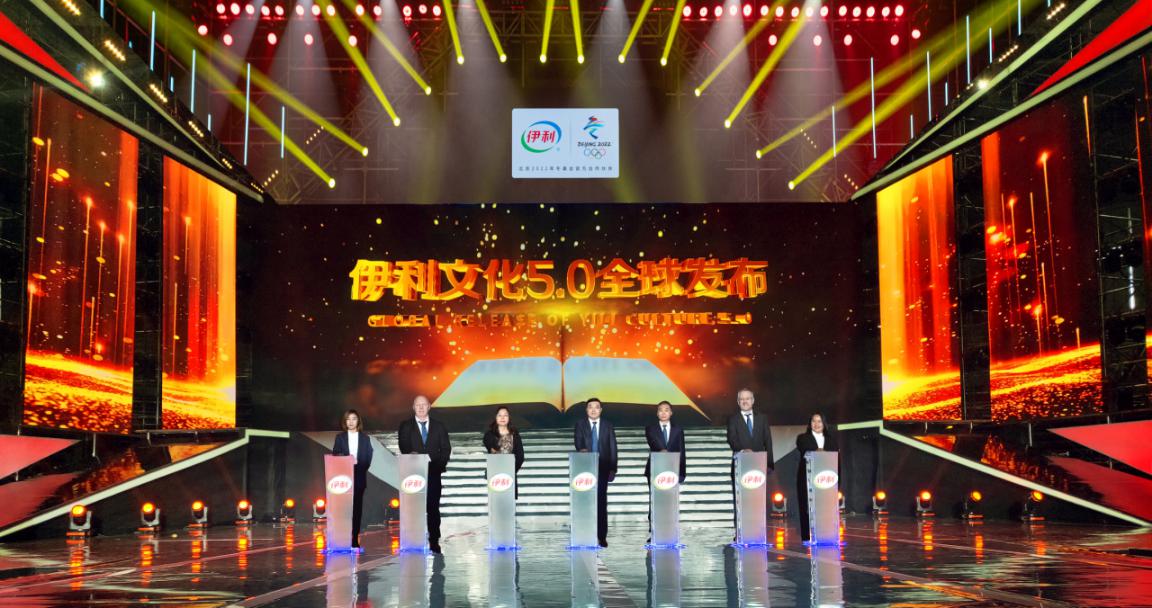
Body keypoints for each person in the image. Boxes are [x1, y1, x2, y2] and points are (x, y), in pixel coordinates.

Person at [398, 395, 452, 554]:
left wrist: (438, 466)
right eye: (417, 405)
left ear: (429, 406)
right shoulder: (406, 426)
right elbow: (404, 446)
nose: (421, 407)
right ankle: (414, 539)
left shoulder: (439, 426)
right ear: (413, 407)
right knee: (414, 509)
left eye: (424, 404)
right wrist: (414, 459)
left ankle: (434, 540)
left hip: (434, 474)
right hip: (413, 475)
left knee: (433, 508)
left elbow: (446, 449)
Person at [725, 388, 774, 536]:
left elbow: (768, 441)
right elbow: (731, 439)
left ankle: (759, 532)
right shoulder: (733, 419)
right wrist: (743, 450)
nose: (745, 401)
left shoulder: (762, 418)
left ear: (753, 400)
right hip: (741, 464)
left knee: (758, 501)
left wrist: (769, 464)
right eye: (742, 399)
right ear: (738, 402)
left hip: (759, 466)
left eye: (747, 398)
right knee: (741, 501)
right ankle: (740, 533)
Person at [573, 397, 618, 548]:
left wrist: (613, 468)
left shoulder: (607, 425)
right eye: (590, 407)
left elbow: (613, 447)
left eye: (596, 407)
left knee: (601, 502)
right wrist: (582, 449)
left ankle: (601, 536)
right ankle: (586, 535)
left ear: (601, 410)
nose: (593, 410)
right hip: (585, 469)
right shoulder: (580, 424)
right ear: (586, 410)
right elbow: (578, 442)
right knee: (585, 502)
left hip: (603, 468)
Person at [332, 409, 373, 550]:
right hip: (344, 476)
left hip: (359, 474)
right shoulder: (340, 438)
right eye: (348, 419)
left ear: (358, 421)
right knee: (344, 508)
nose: (351, 422)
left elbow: (368, 457)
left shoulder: (365, 438)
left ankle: (355, 537)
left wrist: (359, 465)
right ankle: (342, 537)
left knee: (356, 508)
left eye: (354, 419)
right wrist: (346, 460)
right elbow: (335, 454)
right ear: (345, 421)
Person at [796, 412, 838, 543]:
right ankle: (807, 537)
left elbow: (836, 459)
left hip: (827, 480)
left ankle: (827, 535)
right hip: (807, 478)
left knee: (826, 508)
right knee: (806, 507)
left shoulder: (831, 440)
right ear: (810, 424)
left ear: (824, 424)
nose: (816, 424)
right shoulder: (802, 438)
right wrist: (817, 451)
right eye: (813, 421)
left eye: (819, 421)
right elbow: (804, 449)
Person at [482, 406, 525, 498]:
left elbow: (520, 456)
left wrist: (512, 470)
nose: (502, 418)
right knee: (495, 501)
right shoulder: (489, 435)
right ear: (496, 418)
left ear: (509, 418)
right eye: (500, 415)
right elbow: (489, 446)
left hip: (510, 475)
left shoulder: (515, 435)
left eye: (505, 415)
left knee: (509, 501)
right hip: (495, 475)